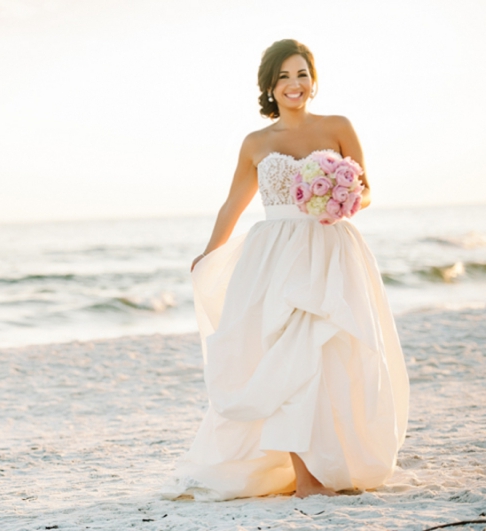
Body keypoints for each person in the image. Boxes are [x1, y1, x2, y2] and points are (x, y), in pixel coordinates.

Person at [161, 39, 409, 501]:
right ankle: (305, 480)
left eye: (301, 75)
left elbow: (368, 190)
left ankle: (328, 466)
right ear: (269, 87)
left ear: (313, 82)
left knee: (329, 360)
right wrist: (208, 252)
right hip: (274, 259)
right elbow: (234, 204)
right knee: (284, 361)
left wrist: (342, 198)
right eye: (283, 78)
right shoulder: (257, 143)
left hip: (331, 250)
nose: (294, 85)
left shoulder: (338, 126)